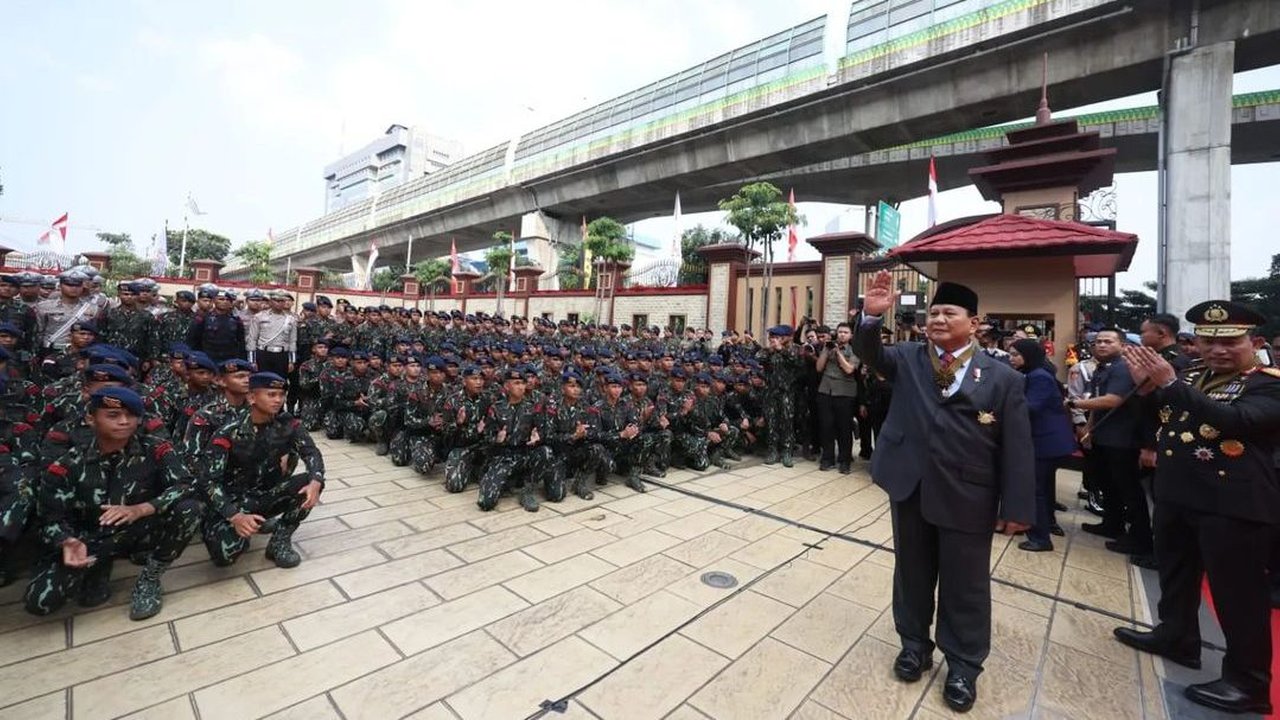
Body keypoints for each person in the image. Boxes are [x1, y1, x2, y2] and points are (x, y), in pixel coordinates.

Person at [853, 271, 1033, 713]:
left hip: (967, 493)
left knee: (965, 584)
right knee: (911, 572)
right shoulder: (910, 357)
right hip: (910, 485)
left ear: (974, 323)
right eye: (932, 312)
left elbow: (1017, 446)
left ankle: (965, 664)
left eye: (949, 313)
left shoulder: (1002, 377)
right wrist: (871, 318)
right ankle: (914, 644)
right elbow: (867, 351)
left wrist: (1019, 505)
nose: (937, 319)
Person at [1113, 300, 1280, 715]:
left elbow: (1236, 422)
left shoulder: (1267, 382)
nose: (1217, 350)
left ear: (1254, 342)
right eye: (1207, 341)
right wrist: (1147, 390)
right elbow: (1164, 417)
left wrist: (1168, 385)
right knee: (1175, 574)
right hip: (1177, 494)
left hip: (1231, 504)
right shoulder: (1189, 375)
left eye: (1230, 342)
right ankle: (1177, 636)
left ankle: (1249, 683)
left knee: (1238, 594)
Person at [24, 387, 203, 620]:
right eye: (112, 415)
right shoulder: (67, 466)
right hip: (90, 539)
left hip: (140, 530)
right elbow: (49, 519)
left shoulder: (156, 449)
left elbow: (186, 484)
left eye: (131, 415)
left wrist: (141, 509)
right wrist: (65, 541)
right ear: (91, 418)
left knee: (188, 509)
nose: (124, 422)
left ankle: (150, 578)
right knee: (39, 602)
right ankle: (99, 566)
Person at [199, 372, 325, 568]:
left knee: (309, 482)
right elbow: (209, 482)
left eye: (281, 395)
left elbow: (311, 452)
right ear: (251, 397)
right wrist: (235, 516)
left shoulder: (287, 423)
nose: (278, 400)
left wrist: (316, 481)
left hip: (265, 494)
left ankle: (279, 542)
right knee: (225, 557)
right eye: (271, 394)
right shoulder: (229, 431)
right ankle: (245, 527)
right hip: (233, 502)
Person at [1070, 329, 1147, 555]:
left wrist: (1075, 405)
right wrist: (1089, 429)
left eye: (1108, 341)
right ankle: (1111, 524)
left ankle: (1140, 537)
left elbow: (1114, 400)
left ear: (1123, 345)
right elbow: (1096, 401)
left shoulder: (1123, 368)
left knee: (1128, 489)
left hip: (1122, 439)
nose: (1101, 345)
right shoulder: (1101, 369)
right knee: (1107, 484)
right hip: (1103, 435)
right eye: (1098, 342)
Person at [1009, 338, 1075, 551]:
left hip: (1046, 442)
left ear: (1028, 356)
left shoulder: (1040, 377)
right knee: (1042, 488)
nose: (1011, 359)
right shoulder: (1032, 373)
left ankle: (1040, 537)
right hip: (1043, 441)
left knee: (1036, 489)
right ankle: (1042, 525)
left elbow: (1030, 407)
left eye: (1015, 355)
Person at [816, 322, 860, 473]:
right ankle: (827, 458)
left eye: (845, 332)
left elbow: (849, 369)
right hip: (826, 390)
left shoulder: (855, 350)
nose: (841, 334)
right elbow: (819, 367)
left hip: (845, 392)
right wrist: (825, 351)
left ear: (850, 335)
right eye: (840, 332)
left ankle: (844, 460)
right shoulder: (828, 346)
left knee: (844, 428)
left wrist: (838, 353)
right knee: (826, 426)